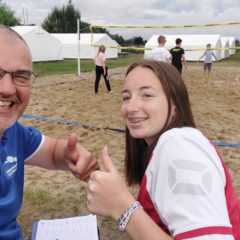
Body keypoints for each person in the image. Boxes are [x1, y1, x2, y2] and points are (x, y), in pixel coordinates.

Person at [87, 60, 240, 239]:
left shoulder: (179, 146)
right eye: (126, 97)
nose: (130, 107)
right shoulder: (164, 147)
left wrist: (123, 208)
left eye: (147, 95)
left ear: (174, 104)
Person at [0, 25, 99, 240]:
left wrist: (69, 154)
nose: (8, 89)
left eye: (21, 76)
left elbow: (52, 151)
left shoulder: (13, 133)